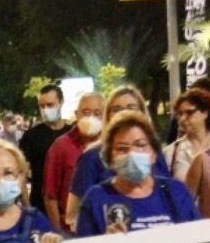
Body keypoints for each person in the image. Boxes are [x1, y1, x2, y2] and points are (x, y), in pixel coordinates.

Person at [74, 111, 200, 236]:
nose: (132, 154)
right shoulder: (96, 199)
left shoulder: (176, 192)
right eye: (122, 149)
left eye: (140, 145)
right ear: (110, 158)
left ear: (154, 153)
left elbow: (197, 241)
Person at [66, 86, 165, 223]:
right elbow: (75, 215)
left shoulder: (156, 153)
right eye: (116, 109)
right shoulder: (91, 157)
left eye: (131, 107)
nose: (124, 113)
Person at [44, 91, 106, 230]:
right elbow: (50, 195)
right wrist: (58, 232)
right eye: (86, 112)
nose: (91, 118)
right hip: (71, 230)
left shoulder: (111, 146)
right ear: (77, 114)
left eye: (97, 113)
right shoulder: (60, 146)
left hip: (104, 228)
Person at [20, 83, 68, 212]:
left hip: (69, 205)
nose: (46, 109)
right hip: (40, 206)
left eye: (50, 105)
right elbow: (21, 175)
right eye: (42, 106)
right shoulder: (31, 136)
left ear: (61, 102)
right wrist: (27, 207)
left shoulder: (73, 133)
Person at [166, 88, 210, 183]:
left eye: (189, 113)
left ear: (205, 113)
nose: (182, 119)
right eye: (180, 114)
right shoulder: (171, 152)